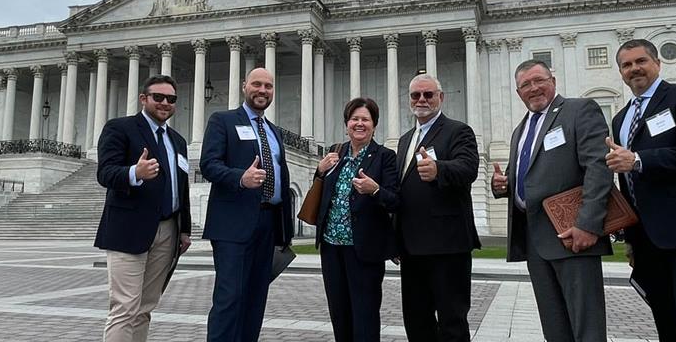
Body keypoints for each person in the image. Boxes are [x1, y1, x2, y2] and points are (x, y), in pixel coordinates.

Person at [605, 39, 676, 342]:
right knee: (664, 314)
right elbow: (626, 180)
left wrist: (639, 159)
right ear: (620, 72)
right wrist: (630, 236)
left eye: (641, 61)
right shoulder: (620, 118)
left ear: (657, 63)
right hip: (645, 234)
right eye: (627, 65)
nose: (634, 69)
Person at [491, 59, 612, 342]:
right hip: (536, 240)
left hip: (573, 235)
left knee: (587, 329)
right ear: (518, 92)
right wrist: (503, 185)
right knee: (555, 329)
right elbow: (526, 176)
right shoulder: (520, 131)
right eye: (525, 85)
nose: (533, 88)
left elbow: (598, 166)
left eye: (538, 80)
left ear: (553, 81)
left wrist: (588, 224)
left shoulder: (578, 110)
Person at [94, 74, 193, 342]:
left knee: (146, 308)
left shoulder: (178, 141)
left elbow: (181, 188)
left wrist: (184, 229)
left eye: (170, 99)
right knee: (125, 308)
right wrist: (133, 172)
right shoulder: (120, 128)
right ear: (143, 99)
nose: (164, 103)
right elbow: (105, 173)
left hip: (168, 230)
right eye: (158, 97)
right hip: (129, 230)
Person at [200, 67, 294, 342]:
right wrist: (240, 177)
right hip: (233, 225)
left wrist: (284, 230)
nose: (262, 91)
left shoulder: (273, 131)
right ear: (244, 86)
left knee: (255, 299)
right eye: (257, 84)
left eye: (268, 86)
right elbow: (208, 164)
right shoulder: (223, 121)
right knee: (230, 297)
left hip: (268, 222)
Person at [394, 74, 480, 342]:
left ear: (440, 98)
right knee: (416, 320)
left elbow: (469, 168)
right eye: (415, 95)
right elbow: (402, 190)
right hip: (412, 247)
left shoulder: (458, 130)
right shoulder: (405, 139)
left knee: (451, 320)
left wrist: (439, 168)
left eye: (428, 94)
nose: (421, 100)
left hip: (447, 245)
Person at [314, 98, 400, 342]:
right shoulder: (335, 153)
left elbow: (395, 200)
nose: (359, 124)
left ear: (374, 125)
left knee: (365, 315)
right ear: (346, 124)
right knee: (339, 313)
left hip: (364, 249)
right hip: (332, 247)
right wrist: (319, 171)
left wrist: (375, 190)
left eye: (365, 119)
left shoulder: (384, 157)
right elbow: (321, 193)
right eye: (355, 119)